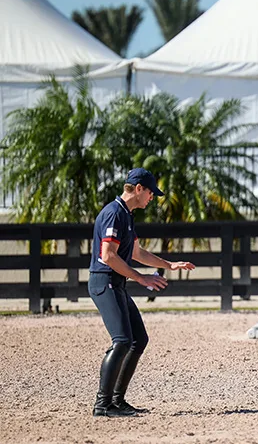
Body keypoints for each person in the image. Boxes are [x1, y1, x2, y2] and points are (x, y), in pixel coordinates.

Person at [88, 168, 196, 417]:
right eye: (150, 193)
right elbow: (108, 256)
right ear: (138, 189)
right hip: (105, 282)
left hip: (116, 283)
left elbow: (137, 253)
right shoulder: (114, 214)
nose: (152, 198)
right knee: (123, 340)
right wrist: (140, 278)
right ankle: (102, 405)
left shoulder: (126, 215)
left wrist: (169, 265)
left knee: (138, 339)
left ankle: (117, 401)